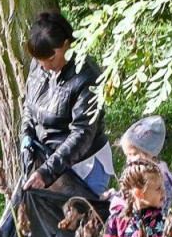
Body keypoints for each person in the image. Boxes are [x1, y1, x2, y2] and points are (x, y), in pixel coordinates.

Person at [20, 11, 114, 196]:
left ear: (66, 45)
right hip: (48, 162)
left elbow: (82, 132)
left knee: (83, 222)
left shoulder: (87, 76)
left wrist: (47, 172)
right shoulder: (39, 66)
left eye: (50, 59)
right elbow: (29, 107)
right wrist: (26, 134)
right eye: (40, 62)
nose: (45, 67)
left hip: (84, 165)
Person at [105, 115, 172, 215]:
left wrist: (117, 202)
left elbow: (153, 204)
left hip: (149, 224)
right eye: (127, 155)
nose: (128, 160)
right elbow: (130, 193)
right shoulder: (139, 170)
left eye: (133, 154)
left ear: (149, 153)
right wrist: (113, 195)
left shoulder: (157, 177)